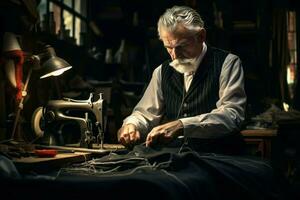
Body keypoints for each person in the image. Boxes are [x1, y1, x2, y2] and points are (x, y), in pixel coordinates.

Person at [117, 5, 246, 152]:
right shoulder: (161, 71)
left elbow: (232, 115)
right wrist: (132, 125)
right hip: (178, 158)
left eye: (181, 46)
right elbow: (145, 114)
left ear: (201, 36)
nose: (175, 55)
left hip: (220, 156)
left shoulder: (227, 63)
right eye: (169, 47)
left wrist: (182, 125)